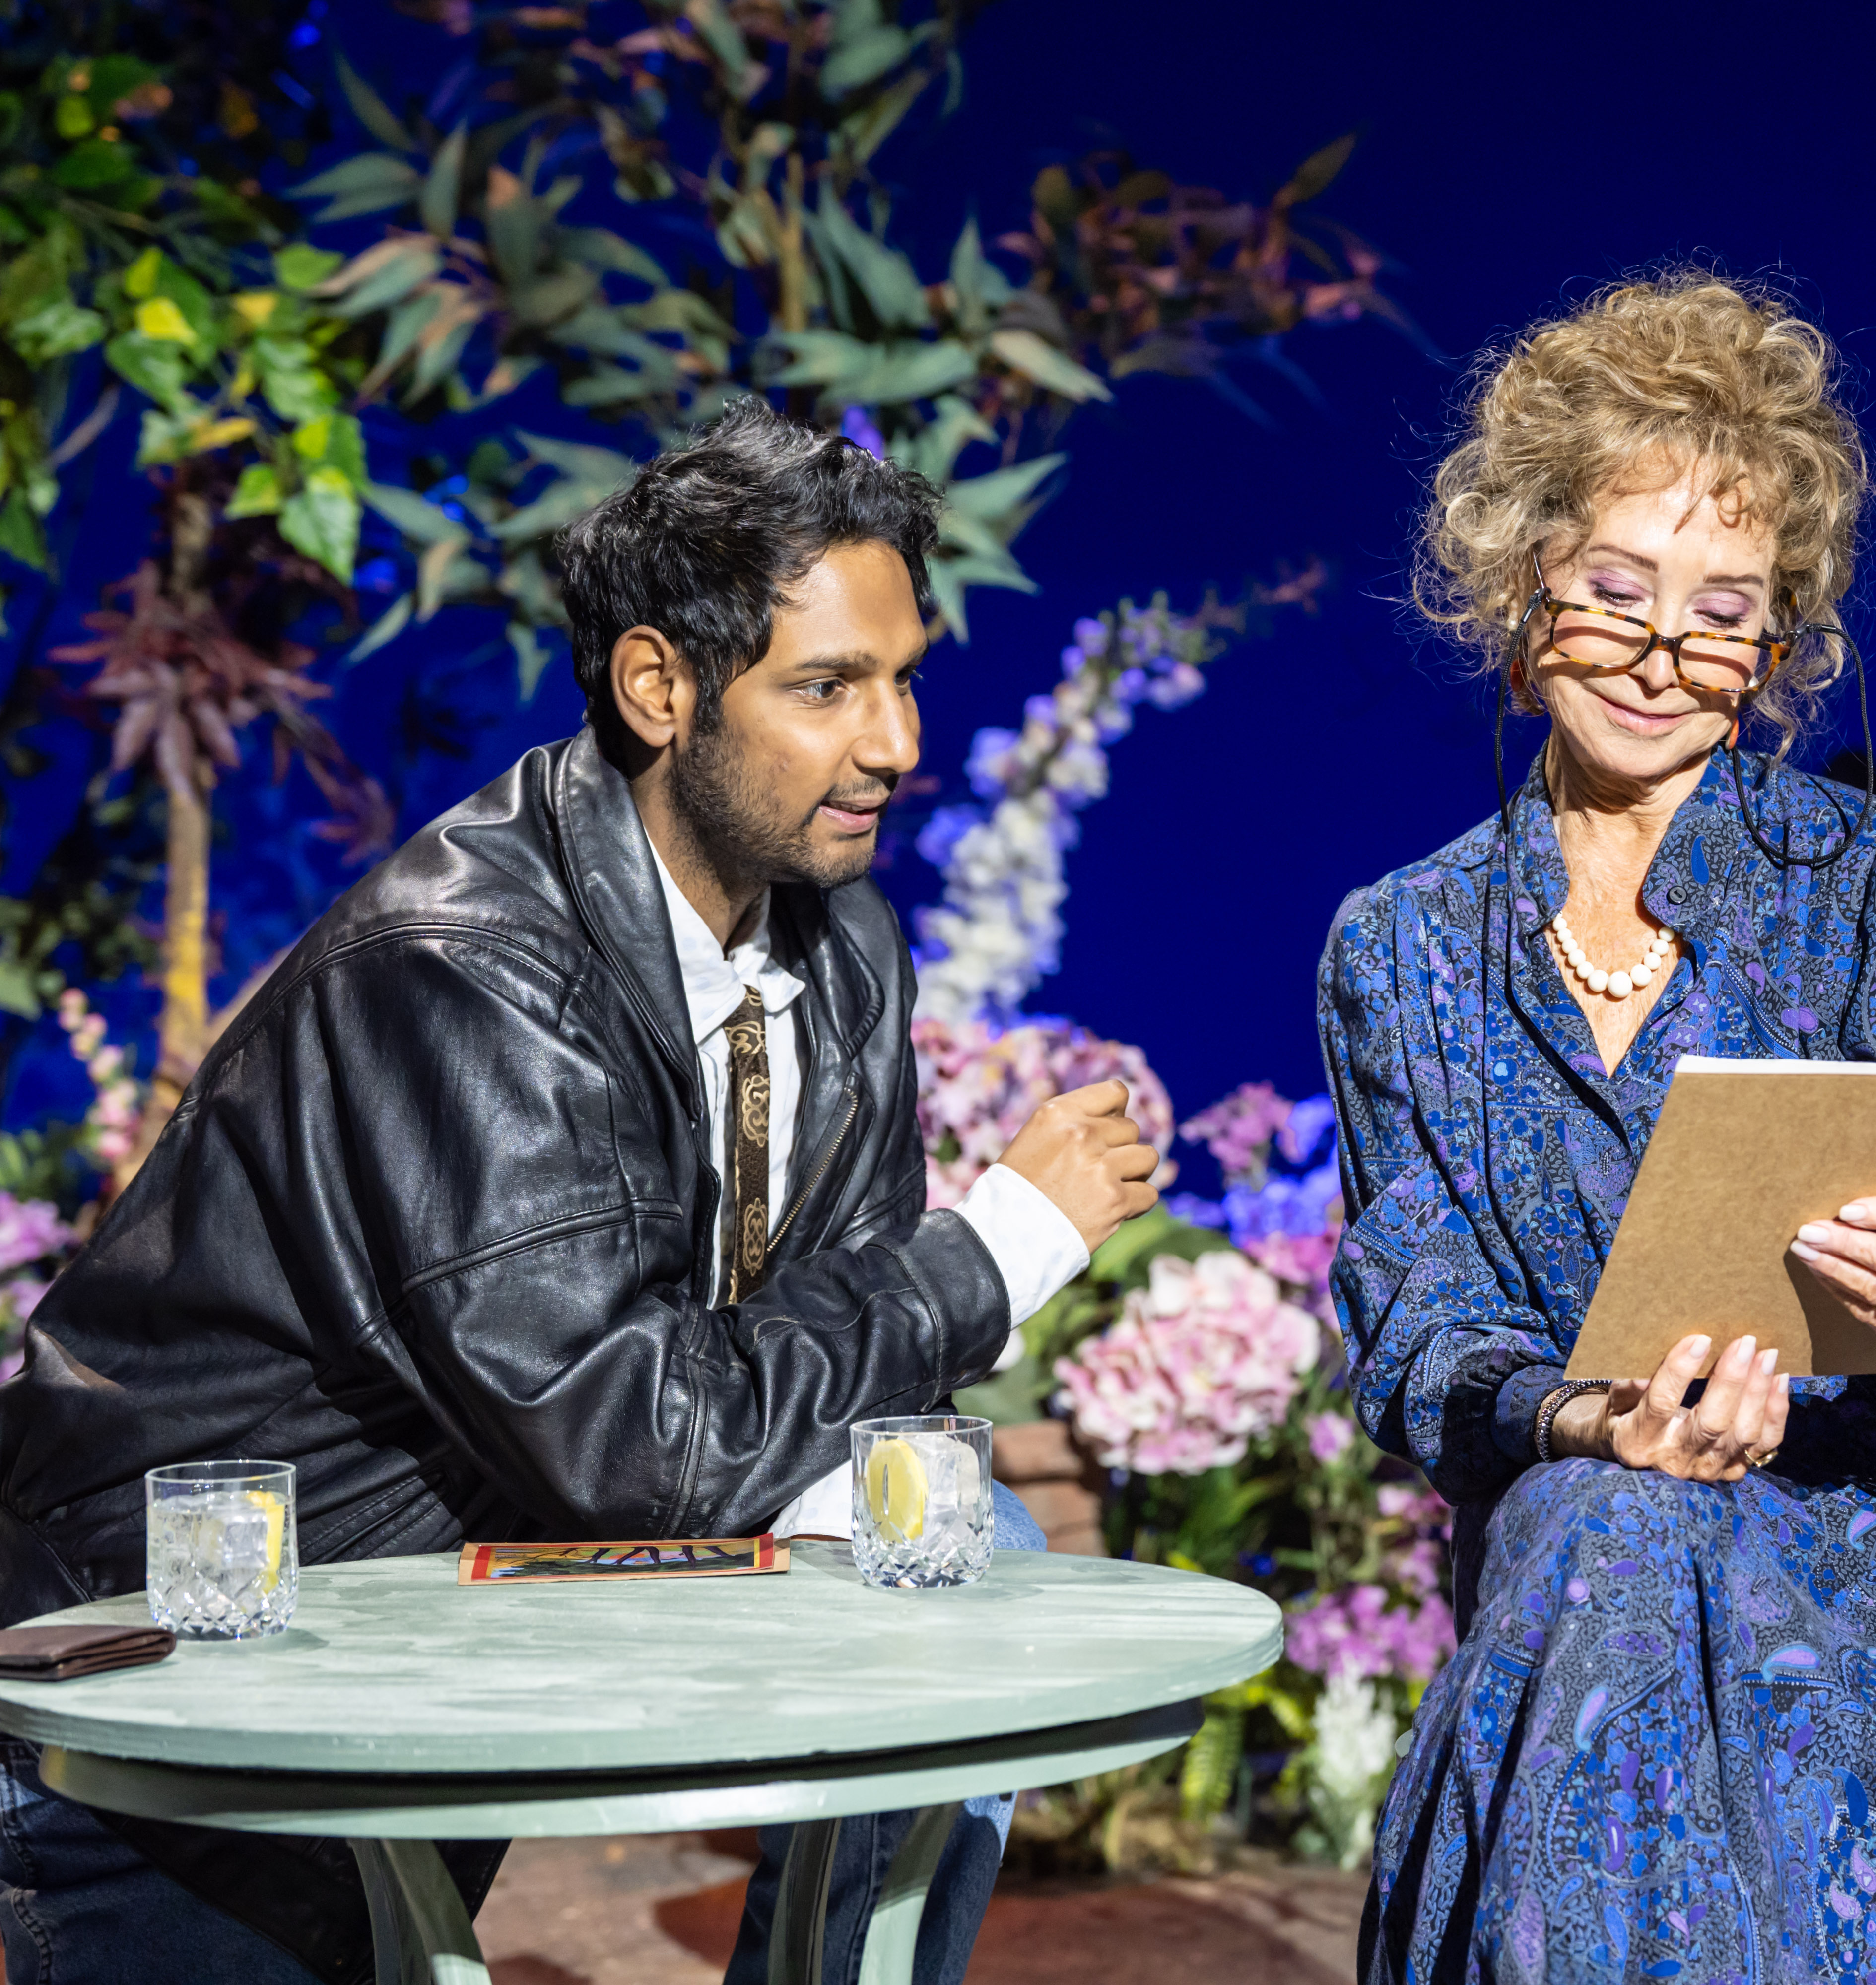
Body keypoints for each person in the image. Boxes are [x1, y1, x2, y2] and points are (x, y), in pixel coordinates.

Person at [0, 399, 1161, 1985]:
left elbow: (841, 1394)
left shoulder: (841, 946)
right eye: (828, 687)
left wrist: (905, 1457)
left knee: (970, 1538)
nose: (896, 743)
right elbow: (641, 1444)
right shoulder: (465, 960)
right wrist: (999, 1249)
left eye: (904, 680)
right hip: (201, 1654)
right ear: (657, 686)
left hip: (457, 1613)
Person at [1322, 274, 1876, 1984]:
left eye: (1720, 613)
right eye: (1615, 593)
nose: (1662, 658)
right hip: (1585, 1546)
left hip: (1861, 1559)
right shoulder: (1403, 946)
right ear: (1522, 592)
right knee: (1612, 1524)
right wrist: (1592, 1418)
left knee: (1615, 1557)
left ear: (1775, 646)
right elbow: (1420, 1328)